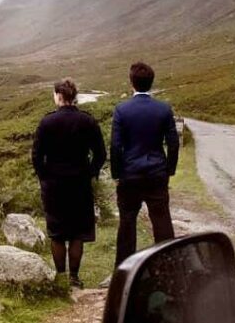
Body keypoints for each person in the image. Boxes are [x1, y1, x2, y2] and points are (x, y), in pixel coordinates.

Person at [32, 78, 107, 289]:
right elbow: (100, 154)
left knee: (57, 233)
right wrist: (90, 173)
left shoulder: (47, 122)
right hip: (80, 184)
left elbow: (36, 156)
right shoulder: (87, 121)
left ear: (59, 96)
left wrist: (44, 178)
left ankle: (61, 277)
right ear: (74, 96)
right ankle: (74, 277)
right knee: (77, 232)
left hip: (54, 185)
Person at [110, 62, 180, 267]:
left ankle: (123, 269)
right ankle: (169, 265)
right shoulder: (163, 109)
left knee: (127, 223)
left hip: (129, 174)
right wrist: (169, 170)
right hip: (157, 173)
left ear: (131, 82)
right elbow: (173, 143)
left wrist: (116, 173)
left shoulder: (121, 110)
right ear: (151, 82)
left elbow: (115, 146)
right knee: (162, 221)